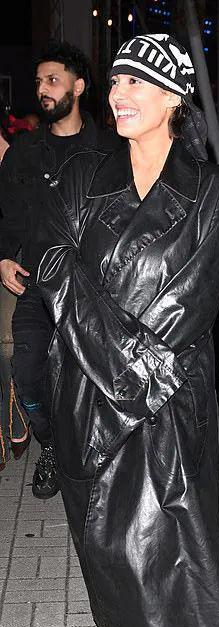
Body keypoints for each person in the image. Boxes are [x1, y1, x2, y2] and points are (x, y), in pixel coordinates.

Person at [33, 34, 219, 627]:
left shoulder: (215, 190)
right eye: (117, 80)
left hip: (166, 393)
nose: (119, 93)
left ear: (174, 100)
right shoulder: (80, 177)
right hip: (87, 387)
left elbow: (195, 301)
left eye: (138, 82)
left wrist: (137, 375)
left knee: (152, 543)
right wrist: (119, 364)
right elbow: (54, 269)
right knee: (101, 538)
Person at [0, 41, 118, 495]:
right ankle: (50, 444)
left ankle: (98, 460)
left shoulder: (111, 149)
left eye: (53, 80)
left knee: (93, 377)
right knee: (27, 371)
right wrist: (4, 256)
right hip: (37, 285)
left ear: (79, 86)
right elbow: (7, 216)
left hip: (93, 286)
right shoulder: (24, 152)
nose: (43, 90)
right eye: (38, 82)